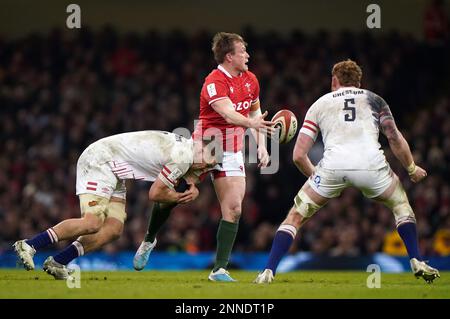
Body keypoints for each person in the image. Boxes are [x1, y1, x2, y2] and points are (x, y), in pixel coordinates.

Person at [254, 59, 440, 284]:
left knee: (295, 216)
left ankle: (268, 271)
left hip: (333, 166)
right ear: (359, 82)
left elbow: (298, 155)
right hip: (371, 165)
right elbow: (394, 137)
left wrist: (315, 176)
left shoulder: (319, 104)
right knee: (401, 204)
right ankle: (417, 260)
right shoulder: (374, 100)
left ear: (334, 80)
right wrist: (411, 168)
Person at [133, 32, 275, 282]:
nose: (248, 55)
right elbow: (230, 115)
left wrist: (261, 146)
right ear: (229, 56)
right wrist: (253, 125)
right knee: (171, 197)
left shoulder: (251, 80)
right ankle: (148, 239)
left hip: (232, 151)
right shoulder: (214, 81)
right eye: (243, 51)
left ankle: (219, 269)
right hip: (205, 147)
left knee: (234, 209)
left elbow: (257, 114)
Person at [13, 130, 216, 279]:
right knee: (92, 223)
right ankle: (30, 244)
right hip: (101, 160)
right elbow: (155, 194)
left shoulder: (191, 148)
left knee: (113, 229)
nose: (203, 167)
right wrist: (179, 198)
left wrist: (193, 186)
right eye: (205, 162)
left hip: (117, 170)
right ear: (200, 147)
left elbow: (192, 173)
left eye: (208, 166)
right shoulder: (183, 157)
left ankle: (59, 261)